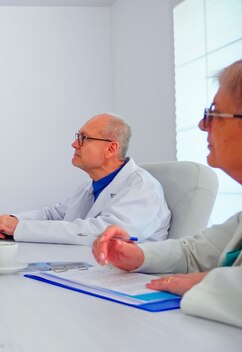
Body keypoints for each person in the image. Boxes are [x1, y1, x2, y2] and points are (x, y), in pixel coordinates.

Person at [92, 60, 242, 328]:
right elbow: (193, 252)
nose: (202, 125)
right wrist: (138, 255)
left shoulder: (141, 184)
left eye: (214, 114)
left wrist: (206, 283)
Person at [0, 113, 170, 245]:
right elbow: (53, 215)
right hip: (90, 269)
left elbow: (102, 232)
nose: (74, 144)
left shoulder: (143, 188)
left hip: (130, 281)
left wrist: (19, 227)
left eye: (84, 138)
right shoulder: (88, 188)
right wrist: (7, 220)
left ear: (111, 149)